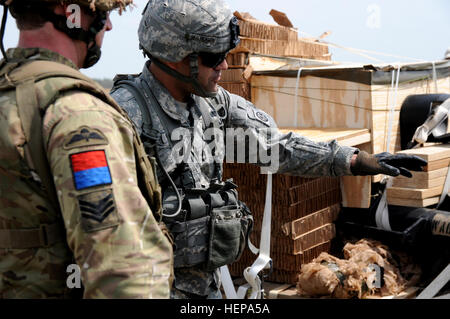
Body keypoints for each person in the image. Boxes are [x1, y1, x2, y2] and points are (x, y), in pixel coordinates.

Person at [110, 0, 427, 299]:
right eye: (212, 56)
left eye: (226, 52)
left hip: (207, 286)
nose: (223, 64)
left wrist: (356, 160)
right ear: (173, 56)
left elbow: (276, 147)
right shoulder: (123, 117)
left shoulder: (212, 104)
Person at [0, 0, 173, 299]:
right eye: (103, 15)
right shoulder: (76, 115)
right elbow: (124, 272)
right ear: (70, 13)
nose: (108, 25)